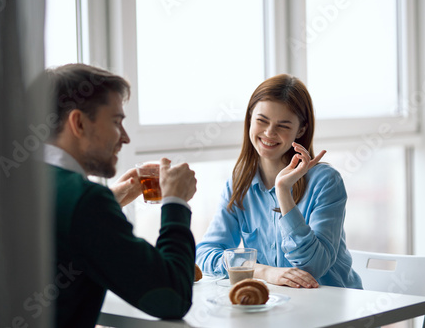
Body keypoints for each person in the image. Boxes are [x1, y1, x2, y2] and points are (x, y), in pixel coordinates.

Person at [43, 63, 197, 328]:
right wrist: (176, 202)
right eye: (116, 122)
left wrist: (111, 202)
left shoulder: (14, 183)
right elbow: (173, 297)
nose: (125, 138)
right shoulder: (87, 201)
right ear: (78, 123)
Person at [196, 74, 362, 289]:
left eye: (283, 125)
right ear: (249, 119)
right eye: (262, 121)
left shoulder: (326, 182)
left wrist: (283, 191)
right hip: (278, 305)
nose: (269, 133)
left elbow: (313, 267)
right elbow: (205, 255)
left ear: (300, 130)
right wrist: (262, 271)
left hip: (333, 307)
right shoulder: (239, 183)